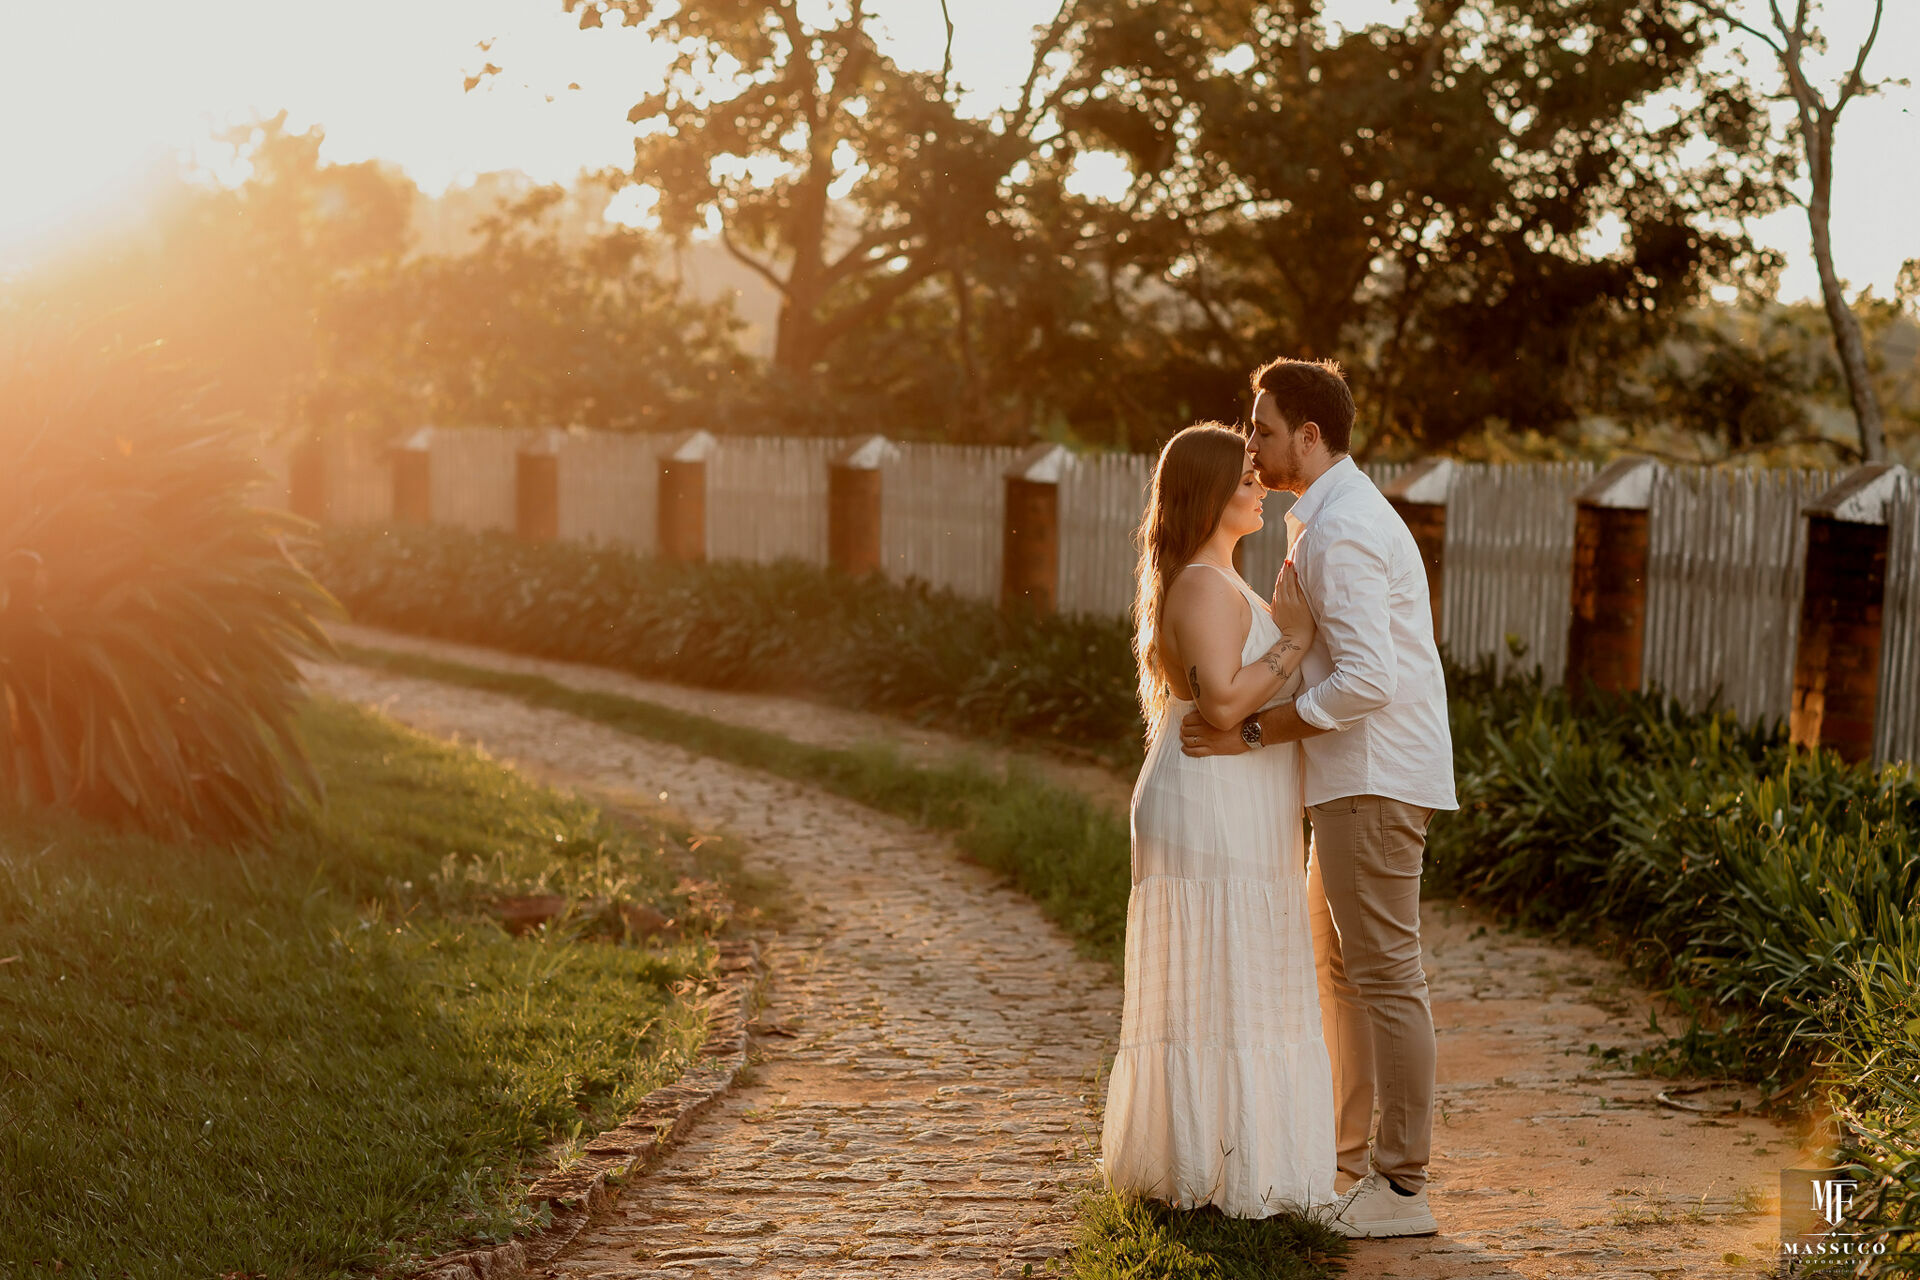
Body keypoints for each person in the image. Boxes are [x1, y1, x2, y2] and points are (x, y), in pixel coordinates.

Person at [1179, 357, 1458, 1240]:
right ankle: (1343, 1165)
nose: (1251, 448)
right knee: (1345, 974)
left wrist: (1258, 732)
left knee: (1384, 974)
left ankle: (1402, 1186)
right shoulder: (1329, 519)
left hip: (1373, 777)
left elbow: (1371, 679)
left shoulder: (1341, 530)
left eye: (1261, 429)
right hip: (1350, 779)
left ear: (1309, 434)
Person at [1098, 422, 1337, 1219]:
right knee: (1226, 977)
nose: (1260, 485)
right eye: (1243, 479)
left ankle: (1239, 1165)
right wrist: (1296, 637)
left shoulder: (1222, 580)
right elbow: (1225, 703)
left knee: (1241, 978)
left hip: (1237, 801)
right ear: (1204, 494)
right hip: (1206, 803)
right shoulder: (1201, 584)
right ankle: (1214, 1173)